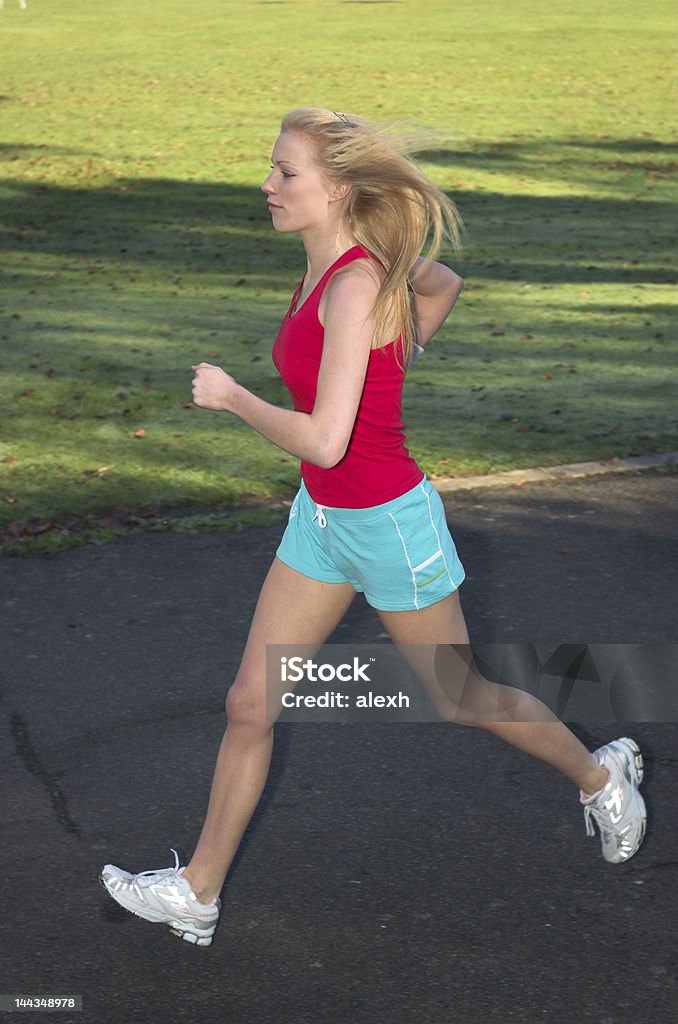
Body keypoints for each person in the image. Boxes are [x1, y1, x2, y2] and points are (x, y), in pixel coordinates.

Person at [99, 108, 647, 947]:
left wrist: (235, 398)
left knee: (462, 697)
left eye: (286, 173)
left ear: (339, 190)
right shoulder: (332, 269)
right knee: (250, 704)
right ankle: (196, 892)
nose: (268, 185)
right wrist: (401, 347)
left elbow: (325, 435)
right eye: (272, 169)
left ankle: (599, 773)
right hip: (322, 521)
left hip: (390, 525)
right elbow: (441, 285)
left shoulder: (355, 283)